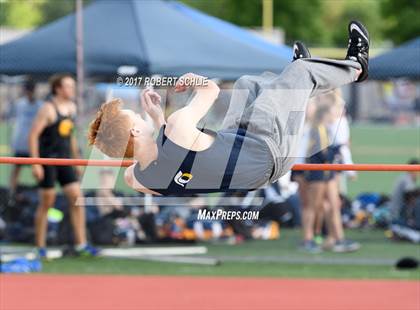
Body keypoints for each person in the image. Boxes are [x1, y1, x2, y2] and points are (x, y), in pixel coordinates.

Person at [88, 21, 369, 197]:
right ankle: (357, 67)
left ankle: (299, 86)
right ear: (136, 130)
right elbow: (209, 89)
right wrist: (192, 79)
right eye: (134, 116)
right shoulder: (177, 125)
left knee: (248, 84)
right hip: (264, 150)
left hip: (246, 159)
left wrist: (155, 118)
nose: (139, 112)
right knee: (300, 71)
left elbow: (164, 162)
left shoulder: (135, 178)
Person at [29, 73, 98, 258]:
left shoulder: (72, 107)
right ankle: (40, 247)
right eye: (68, 86)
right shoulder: (48, 109)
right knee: (47, 202)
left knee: (77, 198)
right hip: (47, 161)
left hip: (65, 160)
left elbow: (71, 136)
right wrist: (36, 164)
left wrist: (77, 160)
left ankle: (81, 244)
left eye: (73, 86)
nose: (72, 90)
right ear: (58, 88)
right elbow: (33, 135)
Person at [8, 79, 43, 196]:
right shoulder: (20, 104)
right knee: (16, 170)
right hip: (21, 144)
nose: (29, 93)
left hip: (34, 146)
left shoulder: (40, 105)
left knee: (38, 170)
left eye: (31, 90)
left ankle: (40, 194)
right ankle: (11, 194)